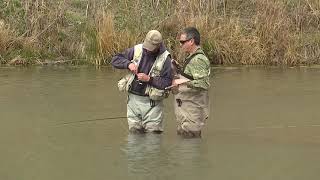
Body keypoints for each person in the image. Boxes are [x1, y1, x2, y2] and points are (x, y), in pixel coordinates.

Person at [111, 30, 173, 134]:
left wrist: (149, 79)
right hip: (132, 102)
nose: (147, 50)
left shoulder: (165, 58)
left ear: (158, 46)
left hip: (152, 105)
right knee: (134, 137)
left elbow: (167, 83)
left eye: (151, 48)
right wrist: (128, 64)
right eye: (146, 46)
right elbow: (115, 60)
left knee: (153, 139)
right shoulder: (137, 49)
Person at [172, 27, 210, 138]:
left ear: (191, 41)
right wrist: (178, 68)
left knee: (191, 144)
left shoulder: (199, 59)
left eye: (182, 42)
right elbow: (191, 77)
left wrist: (181, 81)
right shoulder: (191, 57)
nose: (180, 45)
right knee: (184, 145)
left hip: (192, 112)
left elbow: (204, 84)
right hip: (185, 111)